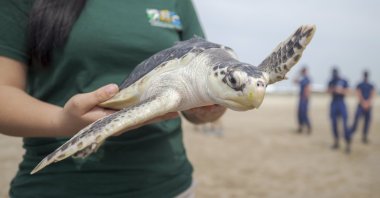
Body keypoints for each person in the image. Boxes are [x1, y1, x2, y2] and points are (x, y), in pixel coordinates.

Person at [0, 0, 226, 197]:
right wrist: (63, 122)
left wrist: (210, 106)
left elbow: (198, 94)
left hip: (170, 185)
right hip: (59, 185)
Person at [327, 68, 350, 153]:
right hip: (334, 102)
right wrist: (333, 90)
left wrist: (340, 90)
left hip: (341, 103)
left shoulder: (343, 80)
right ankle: (336, 141)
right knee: (334, 123)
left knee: (345, 124)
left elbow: (348, 91)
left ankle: (348, 143)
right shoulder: (331, 81)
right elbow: (328, 90)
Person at [350, 71, 375, 144]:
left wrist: (368, 102)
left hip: (367, 105)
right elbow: (358, 93)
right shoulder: (360, 84)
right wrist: (364, 102)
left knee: (367, 122)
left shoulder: (371, 85)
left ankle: (364, 136)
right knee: (356, 120)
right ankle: (351, 133)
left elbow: (372, 93)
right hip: (361, 105)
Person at [293, 67, 312, 134]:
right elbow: (294, 81)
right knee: (299, 114)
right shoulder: (302, 78)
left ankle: (309, 127)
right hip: (301, 98)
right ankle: (300, 127)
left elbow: (308, 88)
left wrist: (306, 97)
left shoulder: (307, 79)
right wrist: (298, 74)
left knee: (304, 113)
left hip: (304, 98)